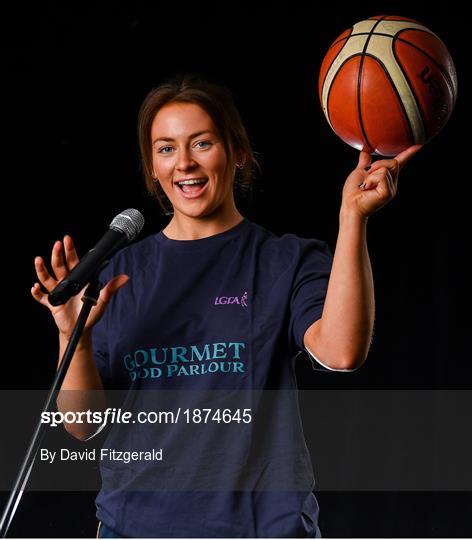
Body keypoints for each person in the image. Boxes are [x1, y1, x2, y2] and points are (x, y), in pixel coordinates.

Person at [31, 73, 422, 538]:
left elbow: (341, 352)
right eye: (166, 148)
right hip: (136, 528)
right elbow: (82, 427)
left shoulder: (286, 260)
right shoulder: (118, 275)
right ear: (152, 167)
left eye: (202, 143)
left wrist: (351, 217)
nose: (184, 164)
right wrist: (71, 336)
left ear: (236, 152)